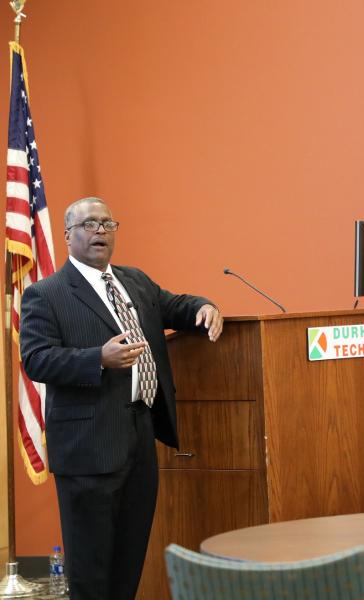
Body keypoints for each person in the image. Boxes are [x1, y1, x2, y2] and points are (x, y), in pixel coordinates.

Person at [20, 196, 223, 600]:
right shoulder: (47, 293)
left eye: (107, 224)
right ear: (68, 236)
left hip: (139, 437)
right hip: (87, 449)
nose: (100, 231)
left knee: (129, 561)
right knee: (92, 572)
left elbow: (174, 306)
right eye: (89, 225)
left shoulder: (135, 281)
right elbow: (36, 359)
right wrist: (98, 358)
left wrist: (205, 307)